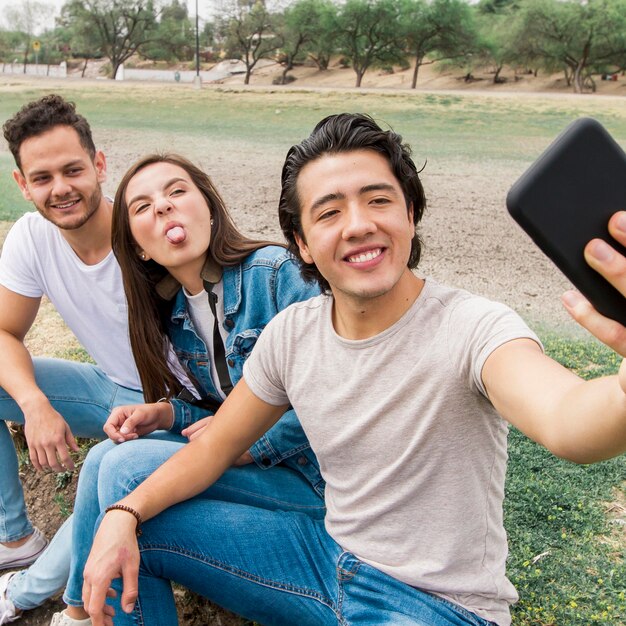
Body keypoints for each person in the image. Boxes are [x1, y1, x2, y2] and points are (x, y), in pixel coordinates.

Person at [82, 113, 626, 626]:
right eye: (329, 212)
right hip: (325, 561)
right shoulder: (293, 334)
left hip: (434, 605)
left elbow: (570, 422)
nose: (358, 225)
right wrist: (123, 513)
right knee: (138, 536)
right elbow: (213, 447)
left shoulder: (473, 327)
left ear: (410, 214)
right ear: (303, 244)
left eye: (378, 200)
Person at [52, 153, 325, 625]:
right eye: (142, 206)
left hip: (314, 481)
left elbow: (334, 395)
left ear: (210, 209)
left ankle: (81, 615)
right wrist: (168, 415)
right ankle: (79, 611)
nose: (163, 208)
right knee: (100, 458)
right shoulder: (175, 313)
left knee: (122, 468)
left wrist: (248, 441)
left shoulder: (276, 275)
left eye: (176, 192)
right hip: (261, 471)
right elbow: (224, 415)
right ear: (138, 246)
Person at [0, 95, 144, 625]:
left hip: (166, 406)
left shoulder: (142, 229)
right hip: (108, 386)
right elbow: (3, 331)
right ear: (22, 184)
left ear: (99, 164)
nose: (60, 188)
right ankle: (14, 536)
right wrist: (34, 403)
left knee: (104, 472)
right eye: (42, 178)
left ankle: (28, 594)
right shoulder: (33, 236)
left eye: (72, 170)